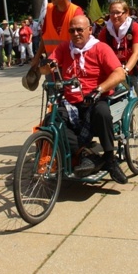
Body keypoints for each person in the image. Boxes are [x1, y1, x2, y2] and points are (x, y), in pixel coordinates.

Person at [41, 15, 128, 184]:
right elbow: (46, 69)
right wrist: (45, 65)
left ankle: (109, 159)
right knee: (49, 121)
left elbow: (119, 73)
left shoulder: (101, 48)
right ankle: (85, 154)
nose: (76, 33)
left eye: (80, 29)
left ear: (90, 30)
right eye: (72, 30)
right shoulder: (64, 48)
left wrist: (99, 89)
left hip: (94, 98)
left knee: (102, 113)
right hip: (70, 101)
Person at [99, 0, 138, 149]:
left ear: (126, 13)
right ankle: (125, 130)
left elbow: (136, 53)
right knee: (120, 102)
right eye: (112, 12)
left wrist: (125, 70)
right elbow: (100, 52)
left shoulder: (135, 28)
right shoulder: (106, 32)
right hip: (120, 73)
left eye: (118, 12)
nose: (115, 15)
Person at [30, 0, 84, 68]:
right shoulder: (49, 9)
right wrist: (37, 57)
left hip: (71, 63)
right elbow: (45, 36)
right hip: (51, 63)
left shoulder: (76, 12)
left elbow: (83, 39)